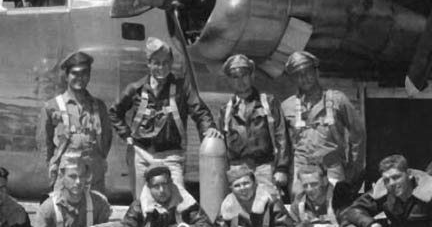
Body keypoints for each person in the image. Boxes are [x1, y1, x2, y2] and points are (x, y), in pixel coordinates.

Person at [109, 37, 221, 198]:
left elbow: (200, 111)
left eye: (166, 62)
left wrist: (209, 128)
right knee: (141, 204)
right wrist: (126, 135)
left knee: (178, 201)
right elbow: (114, 112)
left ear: (171, 62)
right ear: (149, 64)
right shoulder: (136, 89)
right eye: (156, 63)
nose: (161, 67)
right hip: (140, 153)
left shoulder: (183, 89)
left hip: (171, 155)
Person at [281, 51, 365, 194]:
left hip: (332, 168)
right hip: (301, 171)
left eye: (308, 72)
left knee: (335, 210)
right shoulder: (286, 106)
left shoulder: (338, 100)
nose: (304, 78)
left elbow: (358, 134)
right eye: (298, 74)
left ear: (316, 72)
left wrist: (353, 168)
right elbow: (282, 144)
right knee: (300, 211)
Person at [43, 50, 112, 194]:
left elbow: (106, 138)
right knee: (63, 211)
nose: (80, 78)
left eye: (84, 73)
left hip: (93, 172)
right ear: (66, 76)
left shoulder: (99, 106)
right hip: (65, 171)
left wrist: (96, 160)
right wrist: (52, 164)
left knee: (95, 211)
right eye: (75, 73)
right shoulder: (52, 106)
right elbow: (44, 142)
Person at [220, 54, 291, 195]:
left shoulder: (269, 103)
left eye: (244, 75)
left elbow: (281, 135)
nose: (240, 80)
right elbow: (222, 145)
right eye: (235, 76)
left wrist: (282, 168)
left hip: (264, 167)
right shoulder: (225, 111)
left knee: (271, 207)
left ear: (252, 76)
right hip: (238, 169)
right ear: (229, 80)